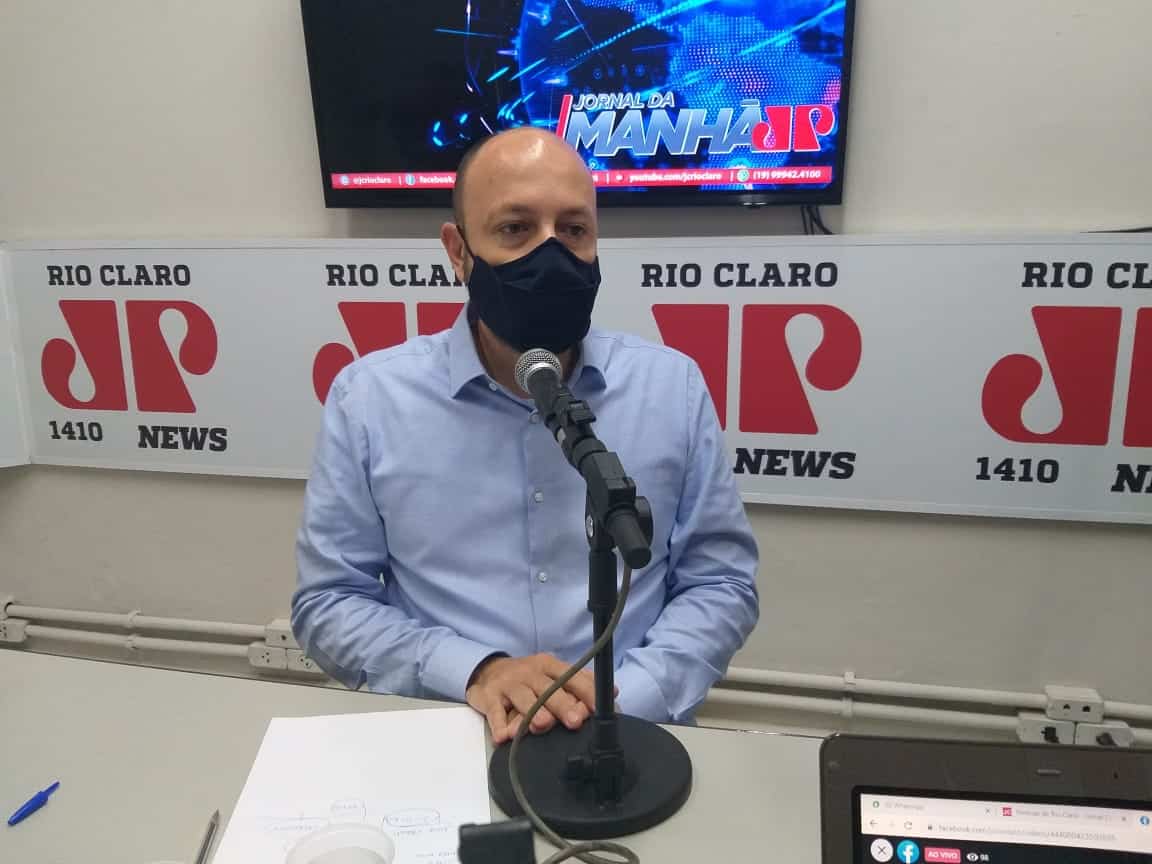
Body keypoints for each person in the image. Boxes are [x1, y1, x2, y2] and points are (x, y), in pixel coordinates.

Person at [292, 128, 758, 744]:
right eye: (515, 229)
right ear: (458, 251)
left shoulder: (671, 387)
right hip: (450, 734)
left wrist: (619, 699)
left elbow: (720, 584)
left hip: (632, 736)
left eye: (574, 230)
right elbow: (328, 603)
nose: (551, 255)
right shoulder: (369, 400)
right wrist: (474, 671)